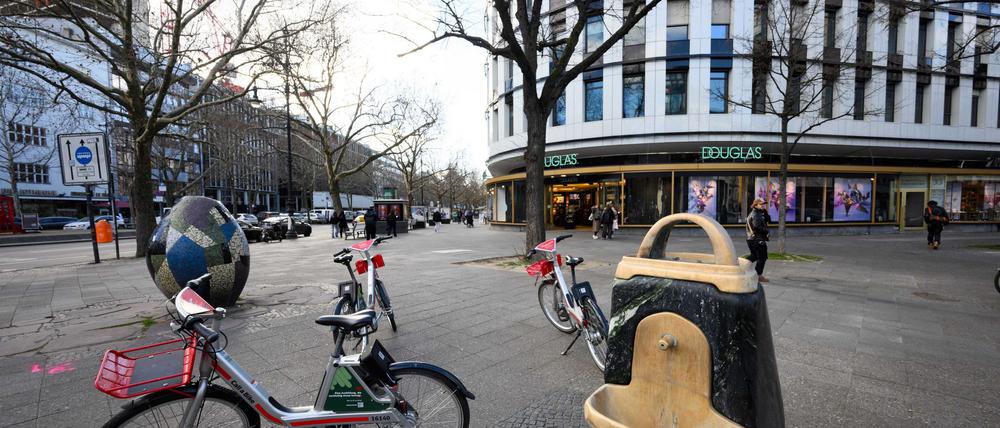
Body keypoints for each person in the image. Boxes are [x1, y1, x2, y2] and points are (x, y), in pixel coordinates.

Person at [745, 198, 771, 283]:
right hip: (757, 239)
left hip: (752, 239)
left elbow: (768, 221)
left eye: (764, 204)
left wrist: (765, 213)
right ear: (756, 205)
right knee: (762, 257)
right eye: (761, 204)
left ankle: (741, 266)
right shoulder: (756, 214)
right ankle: (758, 275)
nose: (763, 205)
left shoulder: (758, 213)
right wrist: (767, 231)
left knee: (754, 256)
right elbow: (756, 227)